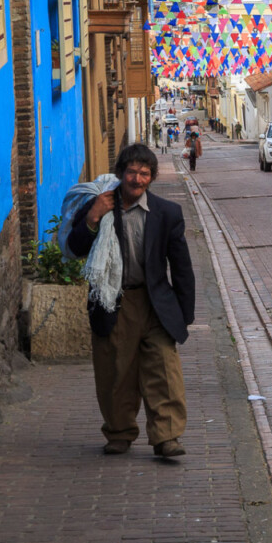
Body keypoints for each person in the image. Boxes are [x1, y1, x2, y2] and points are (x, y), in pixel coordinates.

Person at [67, 144, 196, 458]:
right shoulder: (100, 205)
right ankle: (119, 433)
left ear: (151, 178)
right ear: (120, 174)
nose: (137, 179)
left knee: (164, 370)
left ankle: (167, 437)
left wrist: (185, 312)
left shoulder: (167, 213)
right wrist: (94, 217)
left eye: (144, 173)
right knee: (115, 372)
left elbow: (181, 265)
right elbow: (75, 247)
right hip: (114, 301)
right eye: (132, 172)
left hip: (154, 302)